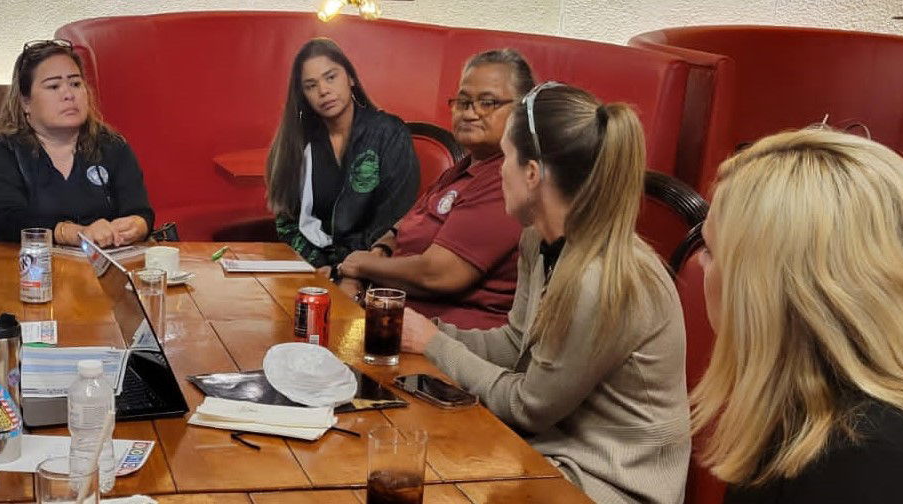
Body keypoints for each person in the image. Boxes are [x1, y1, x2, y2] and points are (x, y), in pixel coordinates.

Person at [399, 82, 690, 503]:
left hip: (612, 484)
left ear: (532, 174)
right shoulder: (538, 239)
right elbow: (516, 343)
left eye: (506, 157)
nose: (499, 170)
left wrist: (435, 345)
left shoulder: (599, 279)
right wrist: (431, 332)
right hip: (552, 455)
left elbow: (528, 407)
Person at [694, 129, 903, 503]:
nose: (698, 263)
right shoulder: (829, 424)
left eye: (710, 250)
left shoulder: (867, 469)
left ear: (765, 294)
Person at [337, 49, 532, 329]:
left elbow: (439, 274)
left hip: (442, 339)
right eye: (463, 102)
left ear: (521, 111)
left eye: (487, 102)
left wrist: (360, 265)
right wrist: (377, 253)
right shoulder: (461, 169)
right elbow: (403, 227)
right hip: (386, 316)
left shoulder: (506, 178)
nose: (470, 112)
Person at [0, 39, 153, 247]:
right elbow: (4, 219)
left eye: (75, 84)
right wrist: (73, 233)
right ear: (25, 102)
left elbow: (139, 210)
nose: (69, 95)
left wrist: (137, 225)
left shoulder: (112, 146)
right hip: (27, 264)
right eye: (54, 86)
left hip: (106, 262)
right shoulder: (0, 150)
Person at [266, 38, 419, 270]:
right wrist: (318, 266)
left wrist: (345, 269)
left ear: (350, 78)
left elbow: (395, 219)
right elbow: (287, 223)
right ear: (303, 95)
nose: (323, 91)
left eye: (330, 77)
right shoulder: (298, 143)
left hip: (372, 268)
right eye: (311, 86)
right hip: (314, 269)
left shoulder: (389, 133)